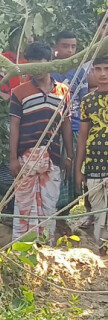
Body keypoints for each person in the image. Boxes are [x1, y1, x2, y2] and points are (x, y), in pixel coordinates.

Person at [9, 42, 73, 244]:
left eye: (40, 64)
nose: (36, 70)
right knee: (24, 204)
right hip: (26, 156)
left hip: (52, 157)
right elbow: (15, 126)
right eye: (32, 65)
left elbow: (66, 125)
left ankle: (46, 246)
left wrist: (68, 155)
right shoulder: (19, 92)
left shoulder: (63, 91)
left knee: (49, 205)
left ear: (49, 63)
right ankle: (22, 248)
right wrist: (12, 159)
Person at [51, 31, 89, 235]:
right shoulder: (48, 70)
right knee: (57, 172)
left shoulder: (79, 71)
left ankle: (64, 216)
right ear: (55, 46)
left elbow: (83, 100)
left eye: (73, 47)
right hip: (52, 130)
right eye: (65, 46)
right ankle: (54, 218)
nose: (70, 50)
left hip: (74, 127)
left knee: (73, 171)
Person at [76, 55, 108, 256]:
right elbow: (82, 138)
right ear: (92, 72)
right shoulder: (88, 100)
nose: (103, 74)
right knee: (98, 211)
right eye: (98, 69)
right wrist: (79, 170)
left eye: (107, 68)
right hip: (94, 165)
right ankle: (101, 252)